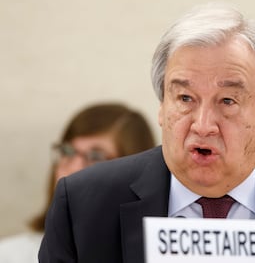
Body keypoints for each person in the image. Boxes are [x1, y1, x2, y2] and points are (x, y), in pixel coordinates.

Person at [39, 3, 255, 262]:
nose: (203, 125)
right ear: (162, 107)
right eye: (185, 98)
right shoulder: (83, 207)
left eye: (228, 100)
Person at [0, 102, 155, 262]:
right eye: (67, 151)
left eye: (96, 157)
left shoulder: (162, 254)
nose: (73, 169)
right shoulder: (8, 256)